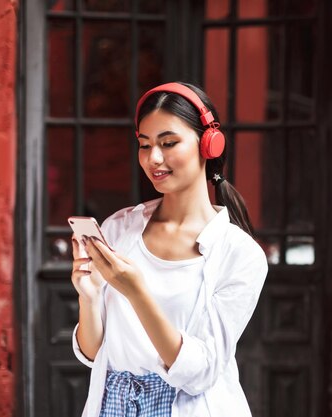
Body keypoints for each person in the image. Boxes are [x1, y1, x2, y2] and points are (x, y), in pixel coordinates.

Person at [70, 82, 269, 417]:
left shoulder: (240, 255)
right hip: (111, 408)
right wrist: (88, 297)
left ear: (209, 144)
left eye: (169, 143)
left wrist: (136, 292)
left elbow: (201, 372)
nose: (154, 158)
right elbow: (93, 354)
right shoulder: (119, 228)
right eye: (145, 145)